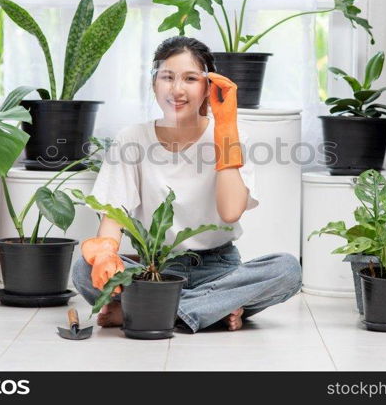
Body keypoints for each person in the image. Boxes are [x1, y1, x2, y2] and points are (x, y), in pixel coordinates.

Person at [72, 36, 302, 332]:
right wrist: (104, 254)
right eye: (167, 77)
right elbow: (112, 217)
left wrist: (226, 128)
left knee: (287, 269)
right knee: (83, 268)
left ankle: (145, 310)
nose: (177, 89)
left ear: (208, 88)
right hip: (154, 271)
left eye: (190, 79)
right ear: (154, 84)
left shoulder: (231, 136)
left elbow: (231, 211)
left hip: (220, 270)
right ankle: (210, 310)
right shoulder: (132, 138)